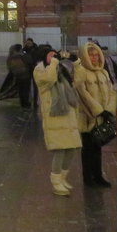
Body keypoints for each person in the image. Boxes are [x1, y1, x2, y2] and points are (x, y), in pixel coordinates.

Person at [33, 46, 81, 196]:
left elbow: (78, 81)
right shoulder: (39, 70)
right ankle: (55, 181)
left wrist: (76, 62)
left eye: (55, 55)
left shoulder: (62, 71)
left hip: (68, 114)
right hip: (54, 116)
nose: (54, 57)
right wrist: (54, 63)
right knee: (60, 149)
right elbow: (49, 79)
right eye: (50, 55)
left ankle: (63, 178)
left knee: (71, 148)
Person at [76, 42, 117, 187]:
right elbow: (82, 94)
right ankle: (88, 178)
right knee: (88, 149)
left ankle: (98, 176)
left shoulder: (103, 72)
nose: (94, 58)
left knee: (98, 147)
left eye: (96, 55)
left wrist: (109, 110)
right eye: (91, 55)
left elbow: (112, 91)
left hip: (103, 116)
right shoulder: (81, 72)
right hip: (88, 117)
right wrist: (98, 111)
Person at [7, 44, 32, 109]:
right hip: (26, 76)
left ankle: (22, 103)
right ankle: (26, 103)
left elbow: (9, 66)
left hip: (17, 76)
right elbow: (30, 63)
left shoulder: (11, 56)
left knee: (21, 90)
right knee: (26, 90)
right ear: (20, 49)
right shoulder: (24, 56)